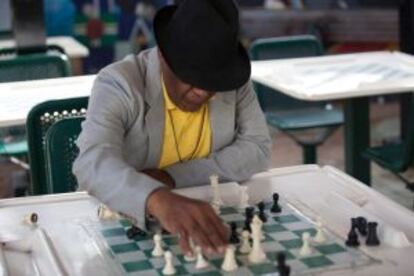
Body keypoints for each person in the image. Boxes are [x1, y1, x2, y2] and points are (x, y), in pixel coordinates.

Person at [73, 0, 271, 256]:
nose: (203, 90)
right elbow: (90, 163)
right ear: (163, 56)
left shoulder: (231, 83)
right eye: (191, 76)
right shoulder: (120, 82)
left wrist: (170, 177)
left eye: (211, 80)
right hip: (121, 225)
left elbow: (258, 149)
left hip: (203, 222)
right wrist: (154, 197)